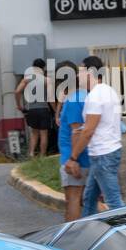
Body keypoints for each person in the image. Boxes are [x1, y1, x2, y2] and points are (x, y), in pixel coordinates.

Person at [67, 55, 124, 217]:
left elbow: (89, 132)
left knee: (114, 203)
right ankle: (89, 230)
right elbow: (106, 121)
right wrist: (85, 127)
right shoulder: (109, 91)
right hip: (108, 152)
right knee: (89, 198)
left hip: (102, 155)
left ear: (90, 72)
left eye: (80, 72)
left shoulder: (95, 96)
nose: (78, 76)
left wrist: (73, 157)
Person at [54, 61, 89, 221]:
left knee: (73, 200)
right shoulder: (83, 95)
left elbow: (77, 131)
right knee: (85, 201)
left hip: (75, 159)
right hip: (81, 157)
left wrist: (72, 159)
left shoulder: (74, 100)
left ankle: (71, 239)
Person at [15, 58, 52, 159]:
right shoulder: (46, 80)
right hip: (43, 109)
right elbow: (50, 97)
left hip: (31, 109)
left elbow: (17, 91)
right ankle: (43, 156)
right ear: (43, 68)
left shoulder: (26, 80)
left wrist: (19, 105)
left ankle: (31, 154)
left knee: (34, 133)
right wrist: (55, 109)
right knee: (44, 133)